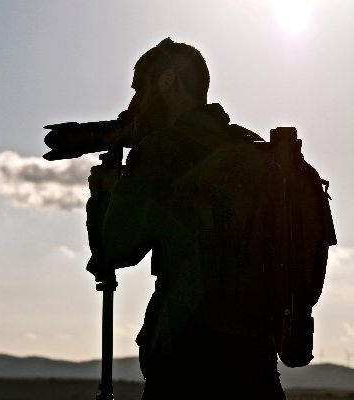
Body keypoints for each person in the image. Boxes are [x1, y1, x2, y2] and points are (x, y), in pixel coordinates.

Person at [85, 38, 287, 399]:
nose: (136, 105)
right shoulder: (250, 152)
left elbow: (113, 249)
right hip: (255, 359)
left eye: (141, 89)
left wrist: (102, 195)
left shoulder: (162, 151)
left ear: (170, 82)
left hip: (186, 361)